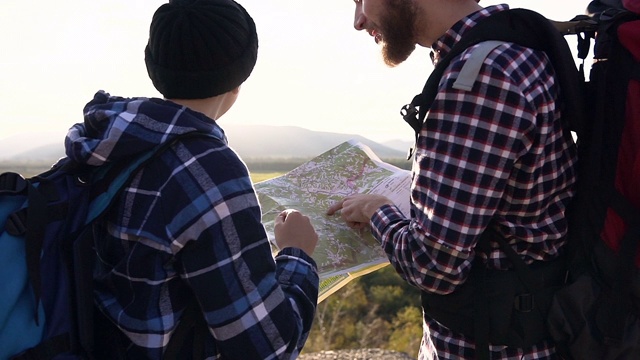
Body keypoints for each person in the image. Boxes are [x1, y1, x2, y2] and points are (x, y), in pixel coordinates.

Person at [64, 0, 320, 358]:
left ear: (153, 65)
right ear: (241, 75)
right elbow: (268, 348)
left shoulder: (101, 143)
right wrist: (297, 254)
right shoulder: (208, 171)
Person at [328, 0, 578, 359]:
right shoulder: (518, 47)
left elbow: (434, 266)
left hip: (489, 345)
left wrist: (377, 210)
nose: (358, 20)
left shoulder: (480, 79)